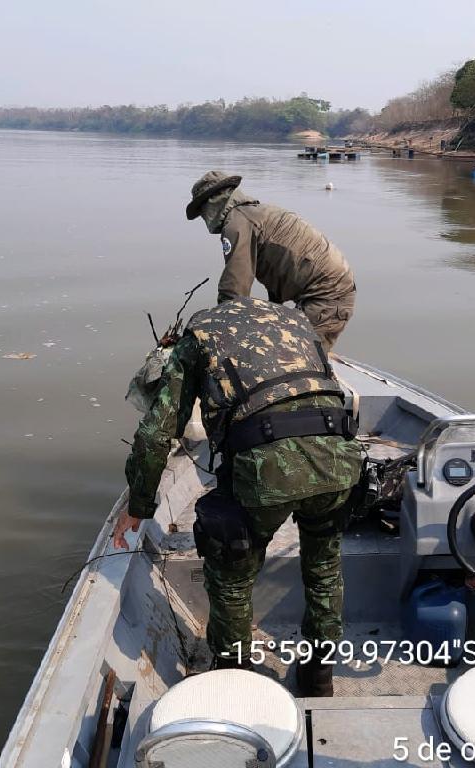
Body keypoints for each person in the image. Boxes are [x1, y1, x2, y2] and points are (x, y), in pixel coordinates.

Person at [113, 296, 363, 695]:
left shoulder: (198, 335)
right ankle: (319, 677)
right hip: (340, 459)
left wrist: (139, 507)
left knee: (231, 568)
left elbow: (156, 433)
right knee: (325, 569)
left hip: (266, 468)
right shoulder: (295, 321)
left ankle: (233, 677)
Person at [185, 171, 356, 352]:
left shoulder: (237, 225)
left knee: (293, 360)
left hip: (328, 295)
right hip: (329, 287)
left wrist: (221, 332)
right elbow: (279, 268)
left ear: (212, 202)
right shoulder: (256, 213)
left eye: (202, 210)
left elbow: (234, 287)